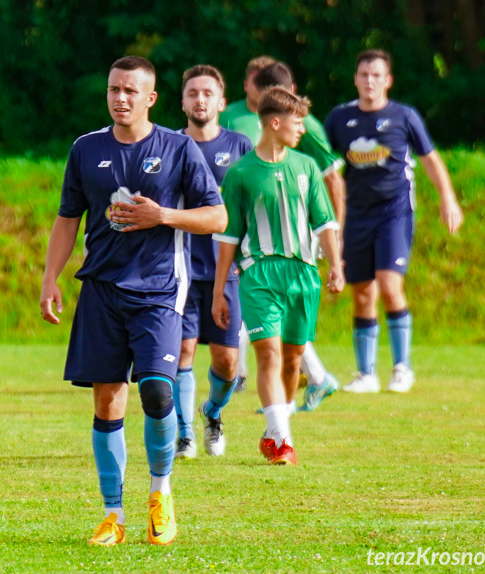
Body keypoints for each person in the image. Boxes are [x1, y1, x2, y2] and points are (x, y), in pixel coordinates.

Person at [40, 56, 226, 546]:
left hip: (161, 291)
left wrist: (162, 215)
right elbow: (67, 218)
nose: (120, 98)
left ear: (151, 98)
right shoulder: (85, 149)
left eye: (130, 91)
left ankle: (161, 494)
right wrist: (50, 278)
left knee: (158, 393)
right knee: (106, 401)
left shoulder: (179, 148)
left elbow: (217, 217)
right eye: (113, 89)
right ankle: (112, 513)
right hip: (100, 290)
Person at [212, 87, 345, 465]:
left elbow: (325, 222)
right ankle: (284, 441)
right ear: (275, 123)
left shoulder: (306, 168)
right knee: (268, 354)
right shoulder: (240, 174)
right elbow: (228, 236)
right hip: (258, 274)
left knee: (292, 359)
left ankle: (273, 432)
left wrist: (334, 264)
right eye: (296, 122)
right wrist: (219, 290)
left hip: (302, 274)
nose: (301, 129)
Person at [324, 49, 463, 393]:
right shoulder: (340, 119)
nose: (369, 81)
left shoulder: (404, 116)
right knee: (362, 295)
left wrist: (448, 197)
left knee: (389, 286)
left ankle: (402, 367)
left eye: (376, 75)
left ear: (388, 80)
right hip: (356, 215)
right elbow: (324, 170)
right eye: (363, 74)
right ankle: (366, 374)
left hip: (394, 212)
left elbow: (430, 159)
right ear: (355, 79)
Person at [250, 61, 346, 411]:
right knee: (268, 317)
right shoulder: (257, 134)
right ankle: (310, 381)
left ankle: (310, 382)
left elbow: (333, 179)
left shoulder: (310, 130)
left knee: (280, 319)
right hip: (265, 239)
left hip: (300, 237)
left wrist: (335, 240)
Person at [174, 65, 252, 459]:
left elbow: (254, 203)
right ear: (183, 101)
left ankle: (213, 413)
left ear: (222, 102)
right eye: (192, 93)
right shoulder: (169, 144)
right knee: (183, 351)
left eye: (207, 93)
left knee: (227, 360)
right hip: (180, 271)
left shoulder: (240, 146)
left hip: (228, 272)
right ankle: (185, 433)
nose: (199, 99)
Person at [218, 55, 276, 393]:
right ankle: (238, 371)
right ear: (246, 84)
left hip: (268, 216)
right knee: (241, 291)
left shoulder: (281, 116)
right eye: (257, 80)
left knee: (265, 293)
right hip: (233, 214)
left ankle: (304, 369)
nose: (262, 87)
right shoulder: (230, 117)